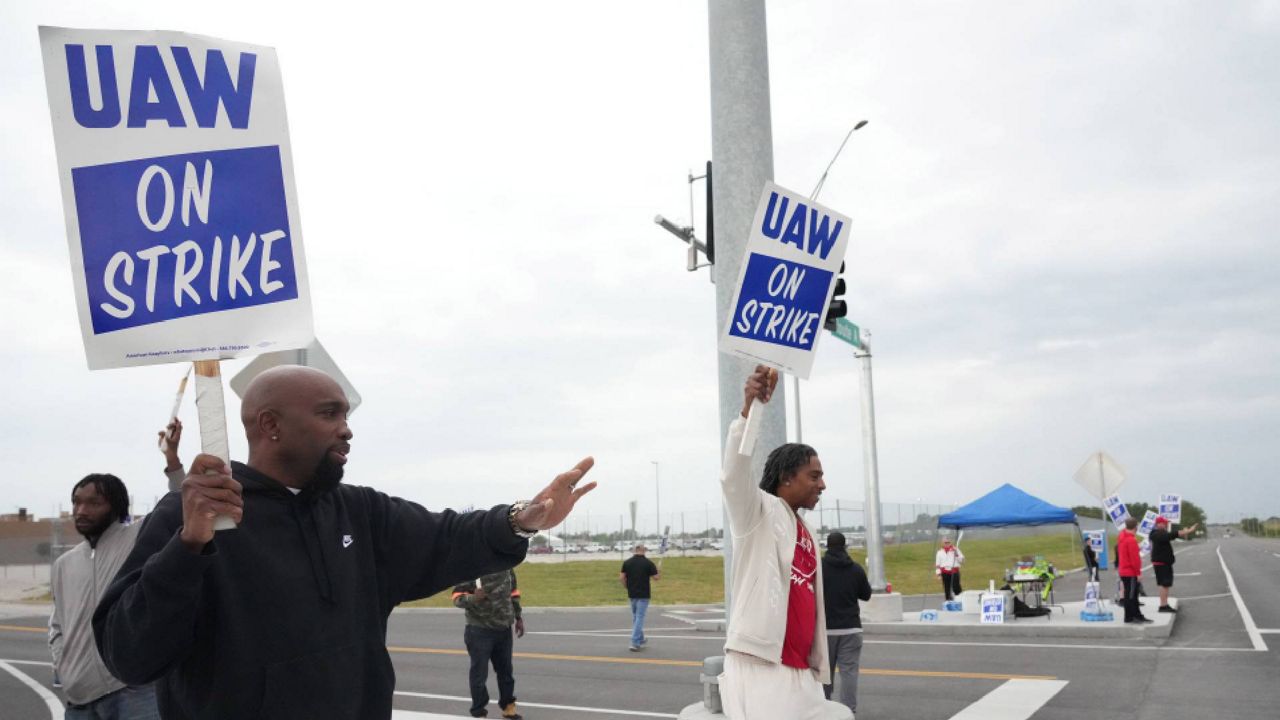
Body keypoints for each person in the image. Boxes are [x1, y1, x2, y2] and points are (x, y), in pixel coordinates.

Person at [93, 365, 597, 720]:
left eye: (345, 415)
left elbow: (447, 535)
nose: (347, 430)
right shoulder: (196, 516)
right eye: (330, 414)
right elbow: (130, 654)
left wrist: (519, 521)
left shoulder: (361, 511)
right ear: (270, 425)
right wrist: (188, 547)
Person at [717, 366, 831, 720]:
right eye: (814, 476)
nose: (822, 485)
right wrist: (751, 410)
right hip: (761, 666)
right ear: (786, 477)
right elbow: (734, 475)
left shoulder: (807, 532)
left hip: (803, 673)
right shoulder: (757, 514)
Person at [50, 473, 162, 719]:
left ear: (116, 506)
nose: (81, 510)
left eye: (94, 503)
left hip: (133, 693)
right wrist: (65, 665)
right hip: (79, 702)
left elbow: (181, 508)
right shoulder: (63, 564)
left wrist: (172, 463)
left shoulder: (137, 538)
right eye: (77, 502)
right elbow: (57, 624)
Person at [452, 570, 525, 719]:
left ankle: (508, 708)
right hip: (479, 630)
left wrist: (518, 617)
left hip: (504, 630)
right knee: (479, 675)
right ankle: (479, 712)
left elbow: (514, 593)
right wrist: (473, 598)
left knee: (506, 672)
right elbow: (456, 597)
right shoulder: (472, 567)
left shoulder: (507, 567)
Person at [821, 532, 871, 716]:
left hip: (825, 630)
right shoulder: (856, 569)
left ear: (827, 546)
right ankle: (848, 712)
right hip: (851, 628)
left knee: (824, 673)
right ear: (845, 546)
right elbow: (866, 594)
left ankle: (825, 709)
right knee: (849, 673)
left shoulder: (819, 568)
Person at [1149, 516, 1199, 613]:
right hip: (1161, 563)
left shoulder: (1159, 533)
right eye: (1164, 523)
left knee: (1165, 584)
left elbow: (1170, 535)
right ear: (1159, 524)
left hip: (1164, 562)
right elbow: (1172, 535)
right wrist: (1188, 531)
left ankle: (1164, 604)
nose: (1166, 525)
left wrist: (1185, 532)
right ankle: (1163, 606)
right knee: (1164, 584)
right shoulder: (1156, 534)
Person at [620, 544, 660, 651]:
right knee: (639, 617)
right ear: (644, 551)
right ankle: (634, 642)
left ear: (635, 550)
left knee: (635, 617)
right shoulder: (648, 563)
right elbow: (656, 578)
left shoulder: (627, 562)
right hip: (644, 594)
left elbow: (622, 578)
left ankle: (640, 638)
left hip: (632, 593)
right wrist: (658, 570)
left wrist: (627, 587)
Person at [1117, 517, 1150, 623]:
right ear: (1136, 527)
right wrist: (1138, 573)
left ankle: (1131, 616)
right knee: (1131, 596)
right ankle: (1133, 616)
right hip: (1130, 572)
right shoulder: (1131, 540)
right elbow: (1134, 560)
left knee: (1130, 594)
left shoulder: (1122, 536)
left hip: (1124, 570)